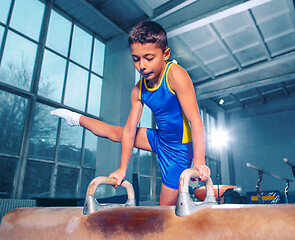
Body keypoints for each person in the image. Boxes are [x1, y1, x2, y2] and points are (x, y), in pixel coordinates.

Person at [51, 21, 210, 206]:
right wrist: (121, 169)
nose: (141, 65)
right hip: (160, 139)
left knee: (165, 210)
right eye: (136, 59)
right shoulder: (138, 90)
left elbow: (195, 121)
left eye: (149, 58)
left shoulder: (176, 75)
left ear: (165, 54)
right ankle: (76, 119)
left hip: (180, 149)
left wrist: (198, 161)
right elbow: (129, 131)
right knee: (117, 132)